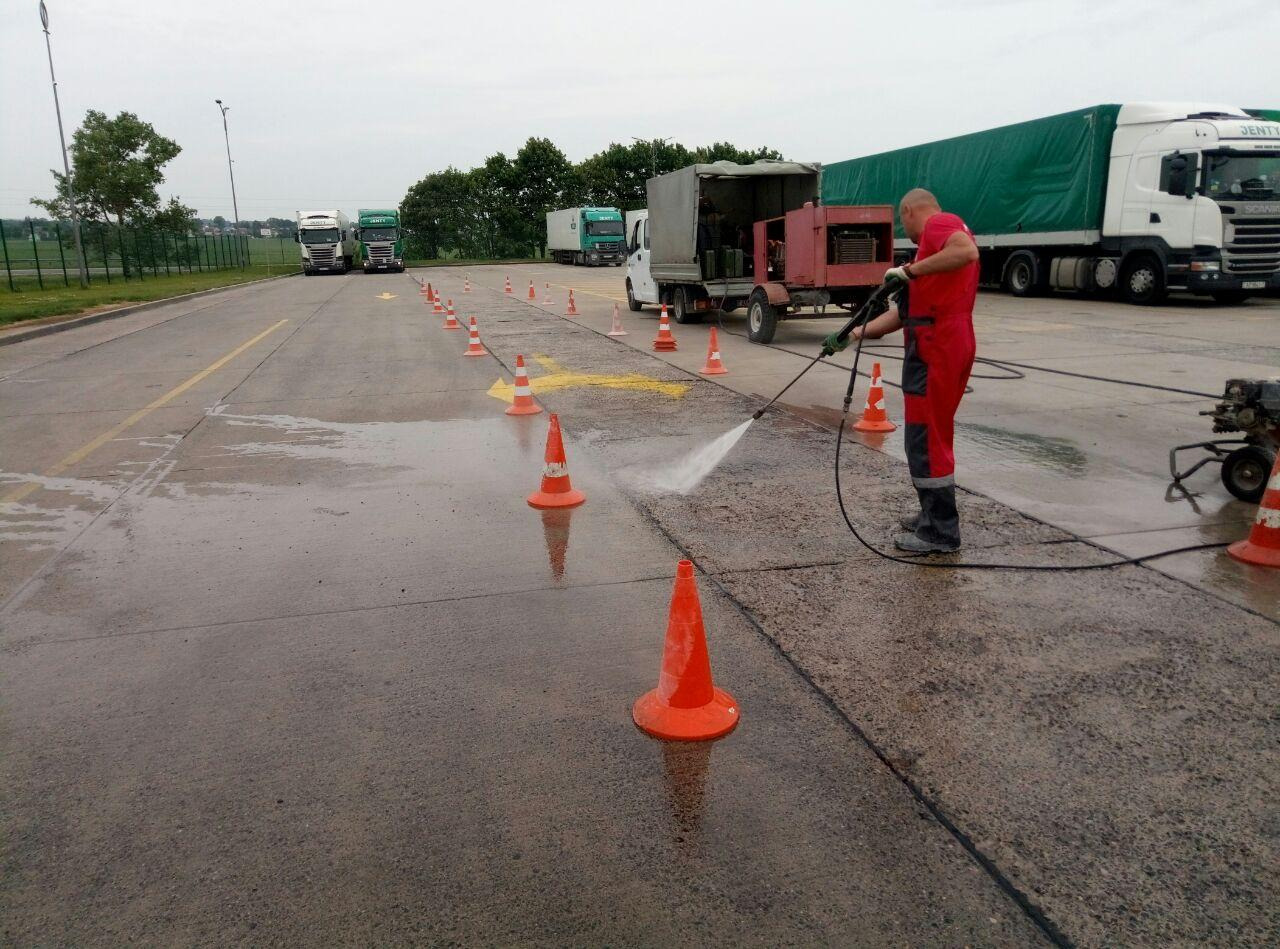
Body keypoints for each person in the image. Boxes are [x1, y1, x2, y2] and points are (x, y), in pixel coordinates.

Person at [825, 188, 980, 553]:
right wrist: (851, 334)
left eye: (901, 219)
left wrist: (908, 271)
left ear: (910, 210)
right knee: (929, 435)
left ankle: (940, 532)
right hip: (939, 341)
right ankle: (932, 516)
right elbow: (899, 315)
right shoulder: (932, 254)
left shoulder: (940, 225)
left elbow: (966, 251)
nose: (904, 228)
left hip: (937, 346)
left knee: (926, 438)